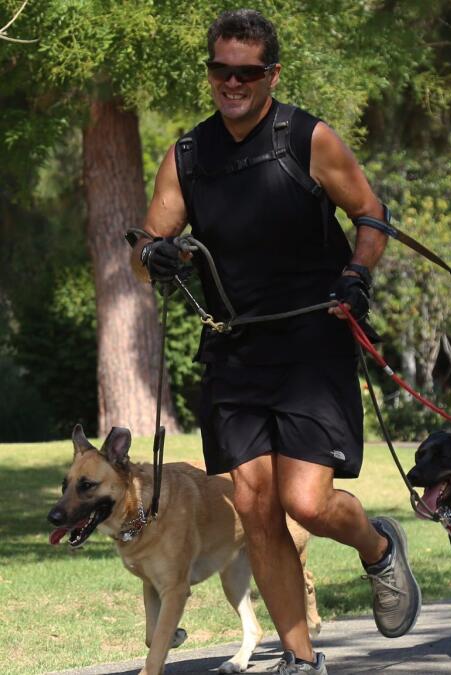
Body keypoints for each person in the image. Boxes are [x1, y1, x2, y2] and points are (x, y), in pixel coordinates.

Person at [129, 10, 420, 673]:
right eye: (220, 70)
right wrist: (160, 256)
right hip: (234, 349)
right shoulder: (187, 157)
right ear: (209, 72)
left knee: (305, 503)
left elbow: (370, 215)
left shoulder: (308, 139)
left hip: (313, 339)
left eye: (246, 72)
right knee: (257, 507)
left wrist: (357, 273)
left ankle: (377, 547)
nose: (231, 82)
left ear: (272, 74)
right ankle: (299, 656)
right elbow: (143, 249)